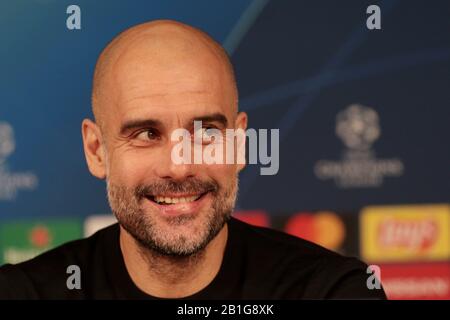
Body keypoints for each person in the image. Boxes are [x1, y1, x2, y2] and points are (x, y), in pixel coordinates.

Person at [0, 20, 386, 299]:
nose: (179, 166)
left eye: (205, 133)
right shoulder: (22, 293)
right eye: (147, 134)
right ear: (96, 150)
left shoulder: (331, 292)